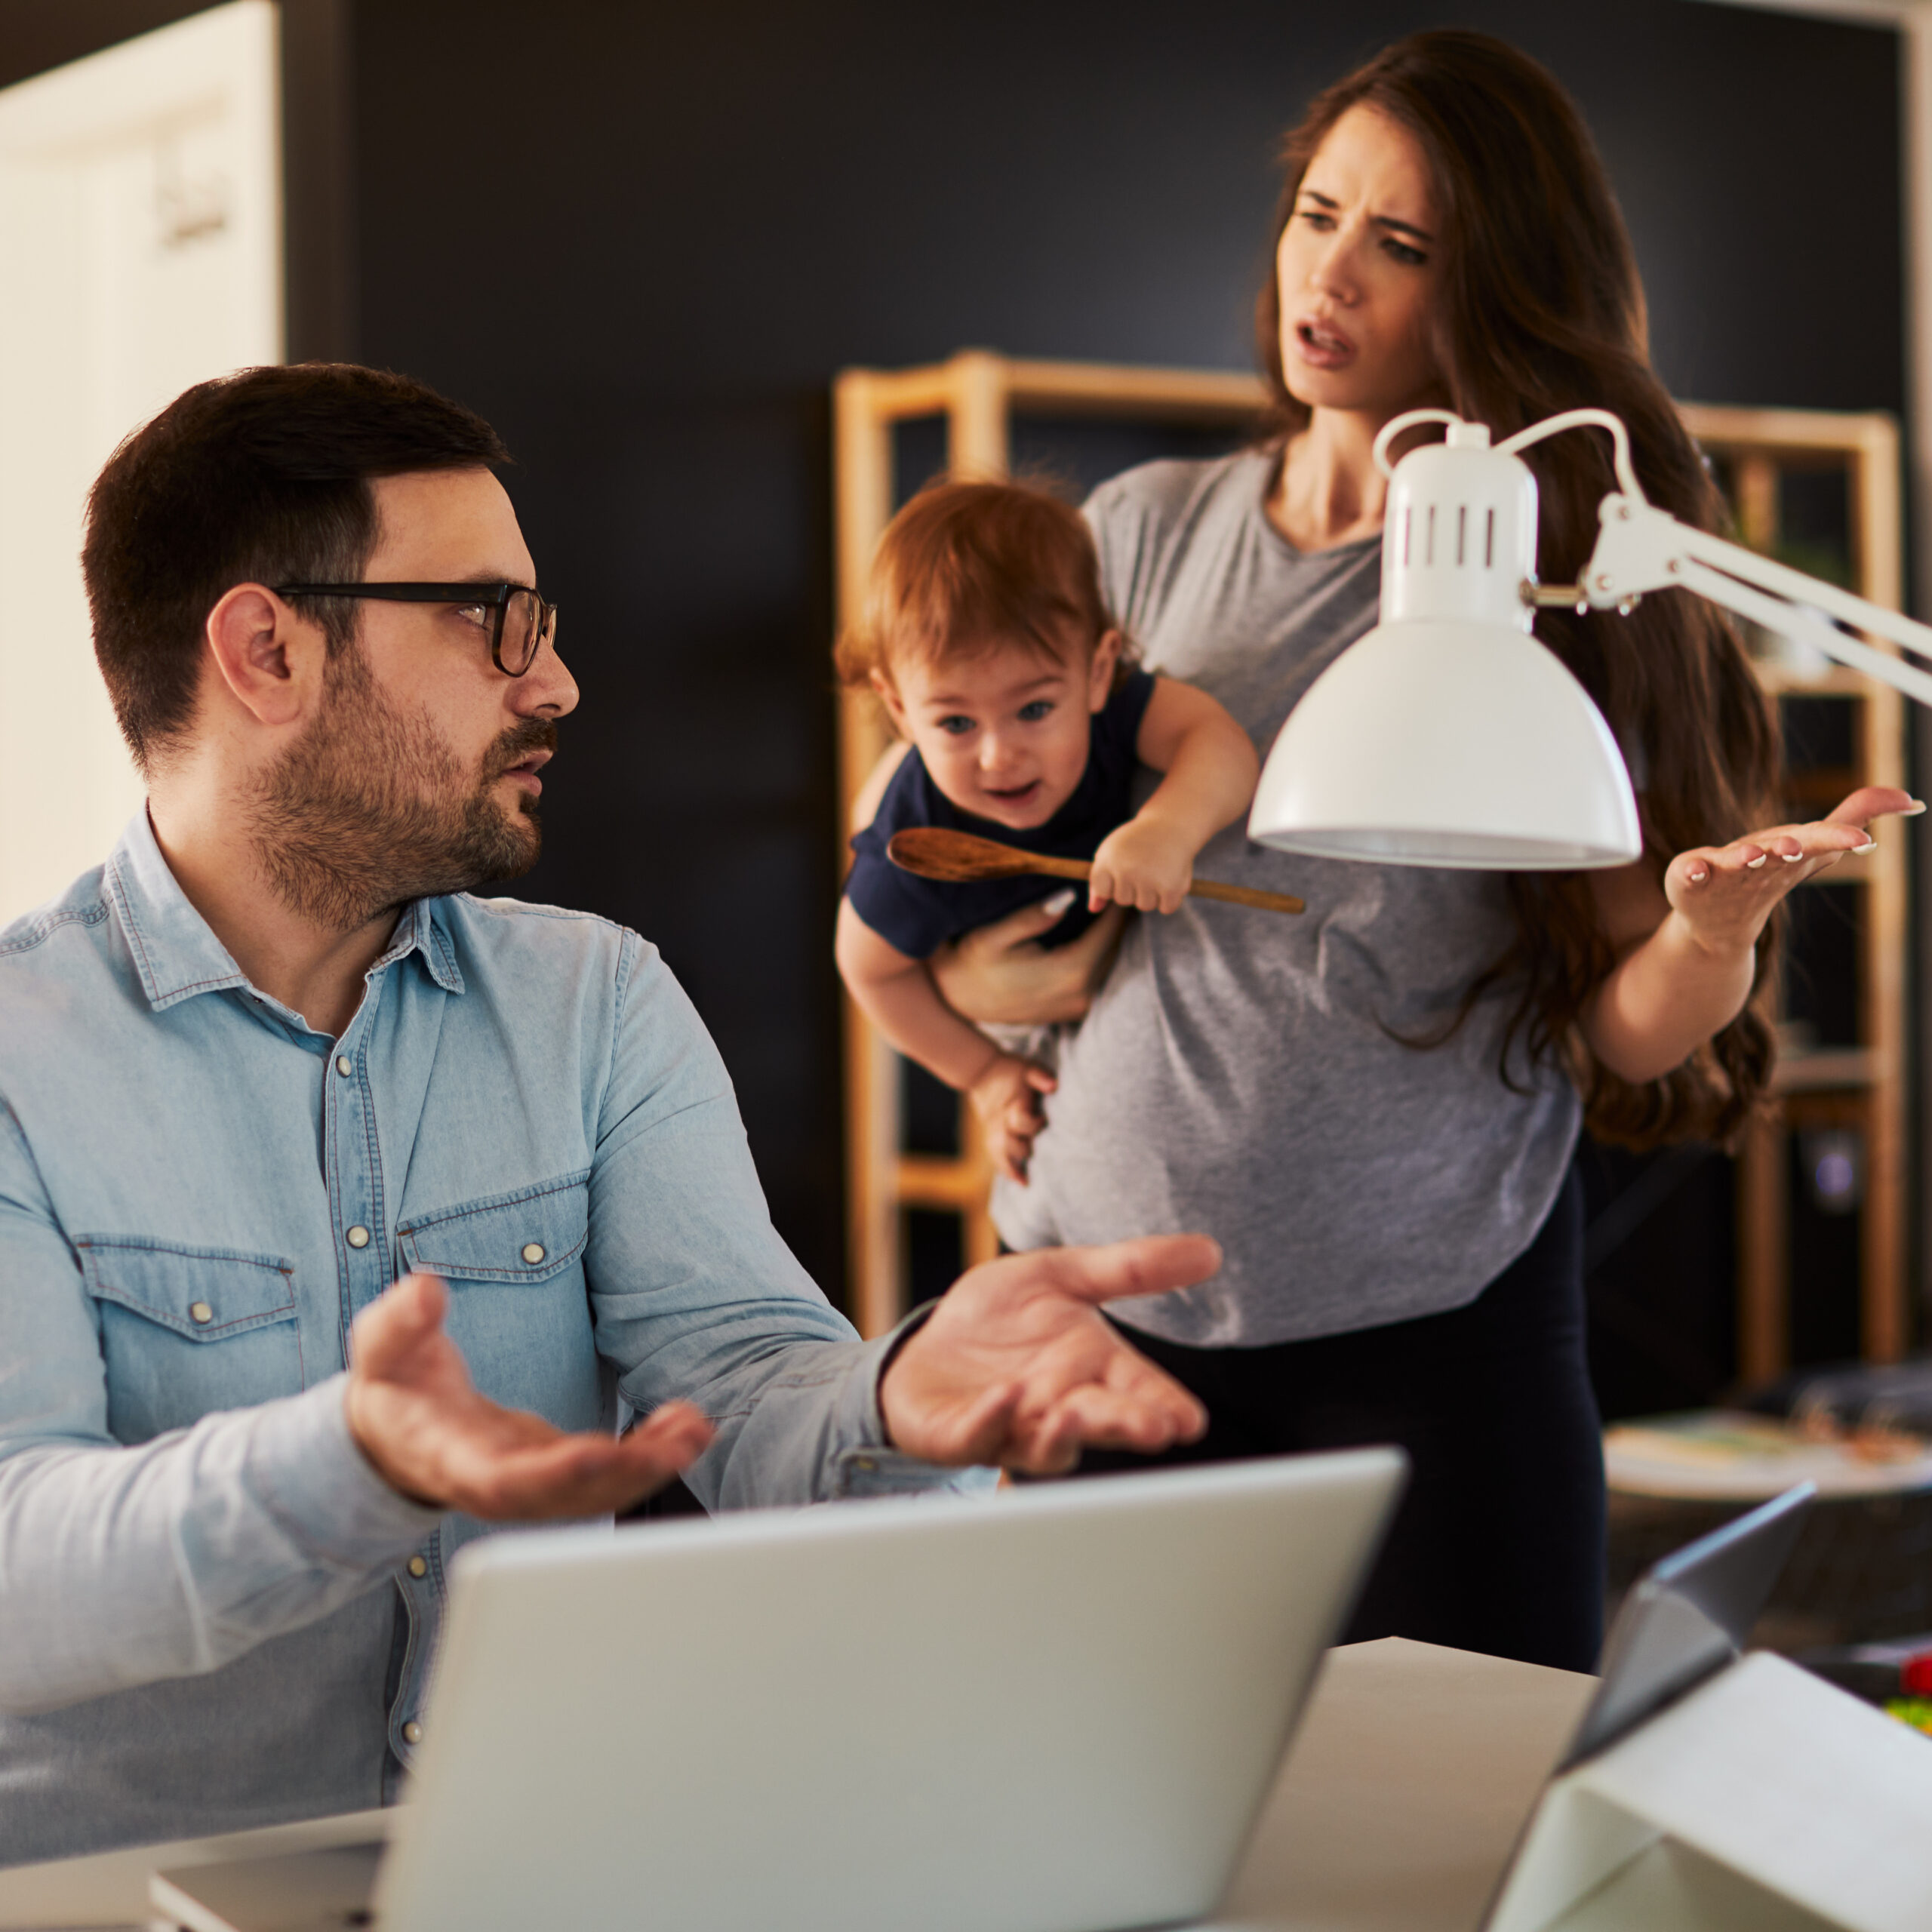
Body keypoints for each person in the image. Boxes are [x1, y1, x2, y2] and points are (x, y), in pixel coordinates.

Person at [0, 364, 1218, 1866]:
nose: (555, 682)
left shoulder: (597, 1001)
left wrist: (892, 1395)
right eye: (488, 618)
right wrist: (350, 1466)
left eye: (546, 623)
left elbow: (745, 1379)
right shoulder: (17, 1060)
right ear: (264, 649)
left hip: (533, 1871)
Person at [916, 29, 1920, 1673]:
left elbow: (1618, 1028)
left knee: (1444, 1852)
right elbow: (945, 900)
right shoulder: (1133, 534)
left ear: (1502, 287)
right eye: (1318, 215)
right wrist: (995, 1012)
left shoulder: (1557, 584)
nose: (1330, 277)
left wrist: (1711, 932)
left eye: (1401, 248)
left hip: (1429, 1343)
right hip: (1094, 1307)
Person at [835, 479, 1257, 1182]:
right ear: (900, 712)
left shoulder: (1119, 707)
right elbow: (869, 972)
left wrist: (1168, 829)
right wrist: (985, 1074)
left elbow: (1216, 741)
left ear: (1097, 671)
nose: (999, 756)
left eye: (1033, 709)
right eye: (955, 723)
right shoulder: (915, 847)